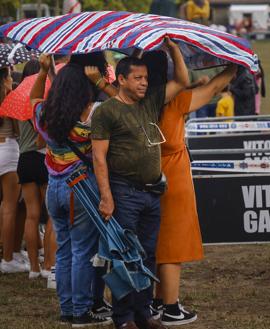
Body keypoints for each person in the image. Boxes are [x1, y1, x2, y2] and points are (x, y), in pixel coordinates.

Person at [90, 37, 189, 329]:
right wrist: (106, 197)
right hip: (124, 192)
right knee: (124, 257)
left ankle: (144, 313)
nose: (144, 83)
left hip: (151, 193)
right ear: (121, 80)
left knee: (147, 254)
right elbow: (99, 158)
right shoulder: (107, 111)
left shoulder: (149, 102)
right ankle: (124, 318)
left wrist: (173, 51)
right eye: (137, 78)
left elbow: (182, 80)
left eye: (146, 77)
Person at [142, 50, 237, 326]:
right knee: (173, 246)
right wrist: (233, 67)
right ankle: (171, 308)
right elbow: (216, 88)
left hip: (147, 177)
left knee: (156, 244)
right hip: (174, 179)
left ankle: (158, 301)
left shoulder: (137, 102)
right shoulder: (176, 102)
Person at [30, 54, 112, 327]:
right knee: (82, 251)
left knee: (63, 250)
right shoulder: (94, 114)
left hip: (53, 187)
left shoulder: (47, 115)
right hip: (81, 190)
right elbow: (123, 108)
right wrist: (99, 80)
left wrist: (44, 73)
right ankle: (81, 311)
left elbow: (33, 100)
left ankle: (67, 309)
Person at [17, 59, 56, 279]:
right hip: (43, 160)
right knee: (52, 217)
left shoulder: (21, 99)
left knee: (31, 216)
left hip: (24, 161)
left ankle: (33, 267)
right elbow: (42, 141)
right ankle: (49, 265)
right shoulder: (43, 103)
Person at [0, 67, 28, 273]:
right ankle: (8, 258)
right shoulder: (9, 97)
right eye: (9, 75)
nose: (11, 78)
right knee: (9, 207)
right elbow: (18, 129)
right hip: (8, 149)